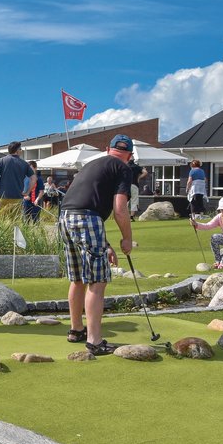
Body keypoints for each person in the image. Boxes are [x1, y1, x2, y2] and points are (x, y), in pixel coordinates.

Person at [58, 134, 134, 356]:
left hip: (65, 217)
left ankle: (76, 329)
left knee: (79, 277)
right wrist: (126, 238)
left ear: (107, 148)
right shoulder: (123, 168)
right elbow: (120, 208)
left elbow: (87, 200)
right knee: (97, 281)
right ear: (129, 155)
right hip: (86, 219)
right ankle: (95, 341)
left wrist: (106, 244)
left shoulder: (92, 164)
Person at [0, 141, 35, 217]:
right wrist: (27, 192)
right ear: (17, 150)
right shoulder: (24, 164)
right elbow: (33, 178)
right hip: (17, 197)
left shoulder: (1, 160)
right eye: (20, 149)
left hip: (2, 196)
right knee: (14, 223)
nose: (21, 150)